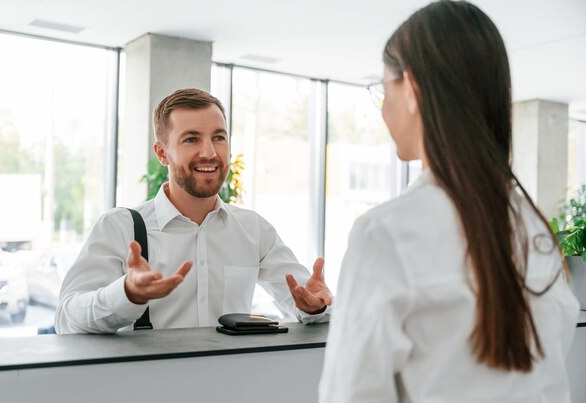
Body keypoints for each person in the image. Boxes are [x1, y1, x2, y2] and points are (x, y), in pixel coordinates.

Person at [319, 2, 579, 402]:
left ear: (413, 90)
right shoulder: (536, 230)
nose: (383, 107)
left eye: (383, 89)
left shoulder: (386, 234)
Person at [55, 88, 332, 334]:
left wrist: (315, 308)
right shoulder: (120, 227)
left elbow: (309, 302)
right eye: (191, 139)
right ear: (162, 153)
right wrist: (127, 294)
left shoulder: (254, 230)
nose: (210, 152)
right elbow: (67, 318)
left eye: (218, 137)